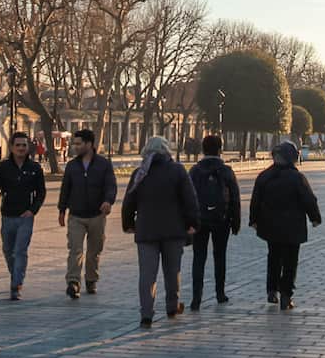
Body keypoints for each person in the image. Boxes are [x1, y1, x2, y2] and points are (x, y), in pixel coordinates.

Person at [122, 136, 198, 328]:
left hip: (146, 230)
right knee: (173, 271)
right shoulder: (178, 171)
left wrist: (128, 224)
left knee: (147, 274)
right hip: (174, 230)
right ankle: (172, 306)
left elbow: (129, 201)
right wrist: (193, 223)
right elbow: (190, 199)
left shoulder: (140, 173)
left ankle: (146, 313)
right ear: (167, 151)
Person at [249, 141, 321, 311]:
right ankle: (286, 295)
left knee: (273, 257)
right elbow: (309, 200)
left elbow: (255, 201)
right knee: (290, 260)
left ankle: (272, 290)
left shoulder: (264, 176)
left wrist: (254, 220)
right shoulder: (297, 178)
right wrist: (315, 218)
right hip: (292, 226)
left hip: (270, 225)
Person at [57, 128, 117, 299]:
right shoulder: (72, 166)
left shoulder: (103, 164)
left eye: (78, 143)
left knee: (94, 251)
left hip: (97, 215)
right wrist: (62, 210)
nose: (75, 147)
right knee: (75, 249)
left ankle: (91, 279)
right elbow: (65, 189)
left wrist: (108, 201)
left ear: (89, 144)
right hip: (76, 215)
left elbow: (110, 185)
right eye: (74, 144)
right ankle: (73, 282)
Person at [0, 132, 47, 301]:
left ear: (28, 148)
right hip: (7, 215)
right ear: (12, 147)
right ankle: (15, 273)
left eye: (24, 145)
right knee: (8, 250)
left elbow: (41, 193)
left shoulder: (34, 168)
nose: (21, 148)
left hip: (25, 216)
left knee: (20, 250)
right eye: (18, 145)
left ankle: (17, 283)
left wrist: (33, 210)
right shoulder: (4, 167)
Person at [188, 134, 241, 311]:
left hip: (199, 220)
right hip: (221, 219)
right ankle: (220, 293)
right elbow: (235, 198)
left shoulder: (195, 171)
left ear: (203, 150)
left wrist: (188, 221)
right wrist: (236, 221)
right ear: (220, 150)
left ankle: (196, 297)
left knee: (199, 258)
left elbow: (187, 197)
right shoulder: (226, 171)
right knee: (220, 256)